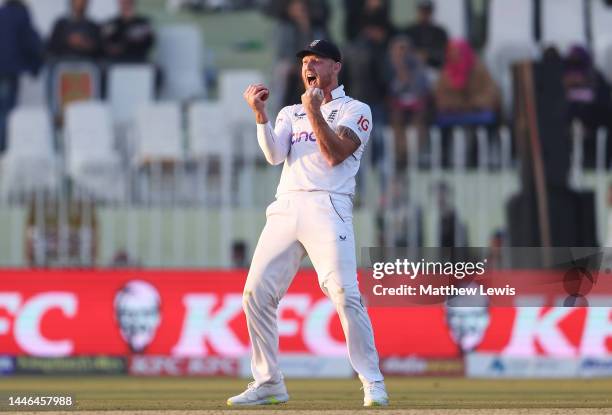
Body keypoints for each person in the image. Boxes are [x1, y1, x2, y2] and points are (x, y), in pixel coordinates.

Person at [230, 39, 388, 407]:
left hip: (327, 205)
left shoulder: (356, 109)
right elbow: (273, 156)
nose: (309, 66)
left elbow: (334, 155)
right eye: (304, 61)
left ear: (337, 67)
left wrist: (314, 110)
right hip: (287, 205)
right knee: (256, 293)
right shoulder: (289, 112)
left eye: (317, 60)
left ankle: (372, 380)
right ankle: (269, 381)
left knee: (345, 294)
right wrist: (260, 115)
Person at [0, 0, 43, 153]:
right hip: (8, 72)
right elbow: (30, 42)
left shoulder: (2, 13)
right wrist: (36, 66)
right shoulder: (21, 14)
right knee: (5, 114)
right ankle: (2, 153)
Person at [386, 35, 431, 170]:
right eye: (399, 49)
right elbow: (391, 89)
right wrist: (399, 69)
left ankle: (413, 156)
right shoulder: (387, 66)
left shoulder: (418, 66)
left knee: (419, 120)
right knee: (396, 120)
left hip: (416, 105)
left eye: (405, 49)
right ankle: (400, 156)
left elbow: (421, 87)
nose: (402, 53)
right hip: (396, 106)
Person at [402, 0, 448, 70]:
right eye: (422, 11)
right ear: (418, 11)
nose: (424, 14)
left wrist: (428, 55)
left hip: (434, 69)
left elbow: (443, 53)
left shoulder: (440, 32)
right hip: (412, 69)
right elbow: (402, 51)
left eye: (427, 11)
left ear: (431, 12)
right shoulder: (409, 31)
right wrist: (416, 55)